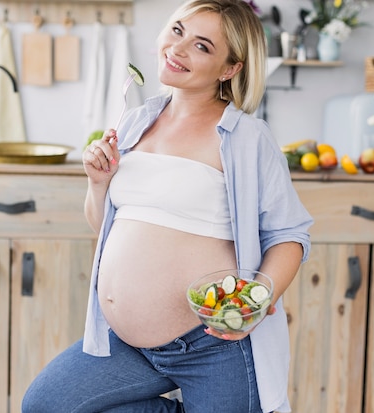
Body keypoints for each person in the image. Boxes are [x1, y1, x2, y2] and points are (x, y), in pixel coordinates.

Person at [22, 0, 312, 412]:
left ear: (230, 69)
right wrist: (98, 183)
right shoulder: (135, 121)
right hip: (127, 345)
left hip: (211, 346)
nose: (178, 49)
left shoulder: (247, 138)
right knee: (46, 405)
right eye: (177, 31)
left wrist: (258, 296)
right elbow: (105, 225)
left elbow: (289, 235)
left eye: (202, 46)